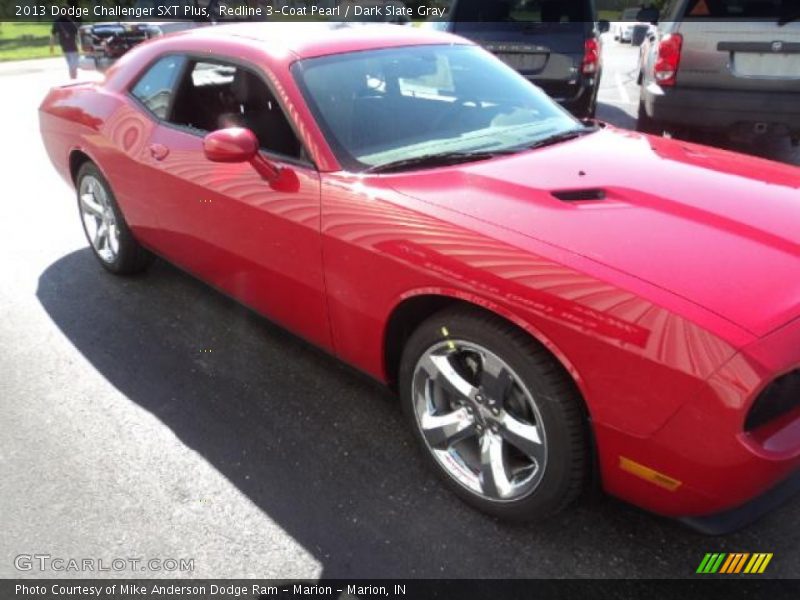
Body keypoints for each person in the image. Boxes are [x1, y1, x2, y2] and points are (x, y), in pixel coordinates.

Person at [50, 4, 81, 79]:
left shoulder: (57, 22)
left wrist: (51, 46)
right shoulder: (70, 22)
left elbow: (53, 35)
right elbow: (77, 34)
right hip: (72, 45)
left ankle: (72, 75)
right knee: (74, 61)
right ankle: (73, 74)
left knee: (69, 61)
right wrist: (80, 44)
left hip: (63, 45)